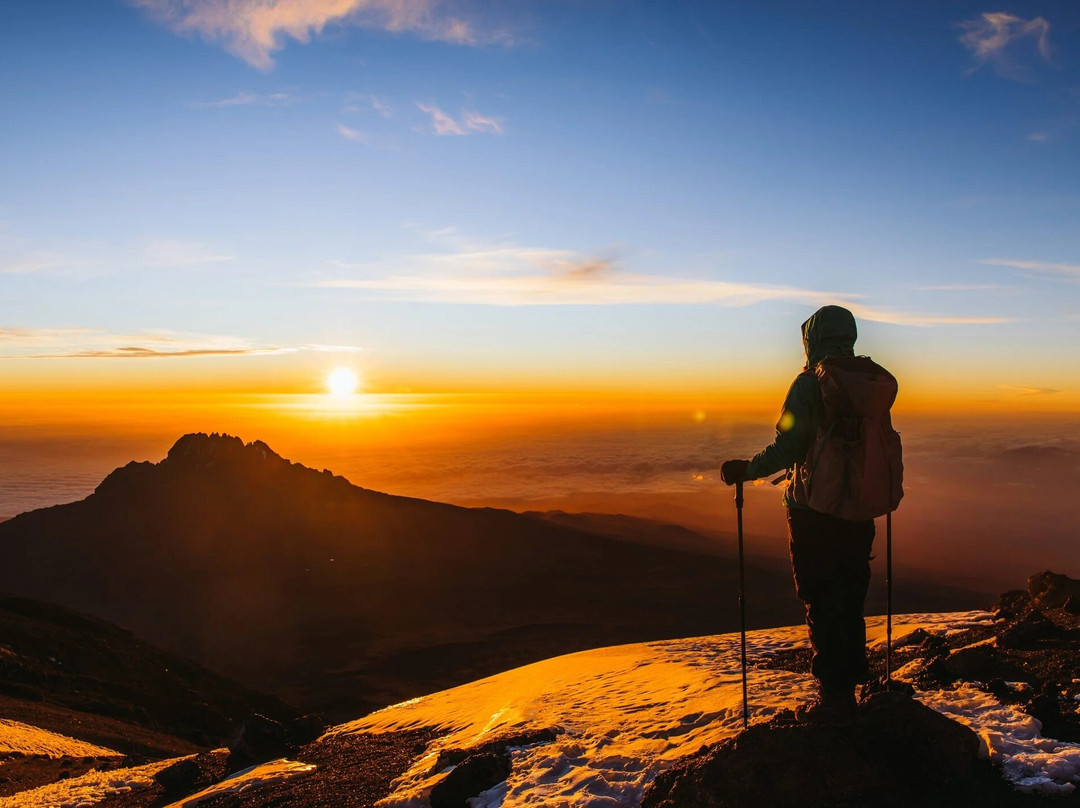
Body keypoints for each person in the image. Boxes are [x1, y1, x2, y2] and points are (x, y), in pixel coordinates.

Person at [721, 304, 875, 723]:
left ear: (812, 338)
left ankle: (835, 698)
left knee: (820, 597)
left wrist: (746, 471)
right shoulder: (867, 381)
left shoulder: (810, 384)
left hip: (813, 512)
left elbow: (789, 446)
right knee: (849, 596)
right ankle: (851, 687)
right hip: (861, 509)